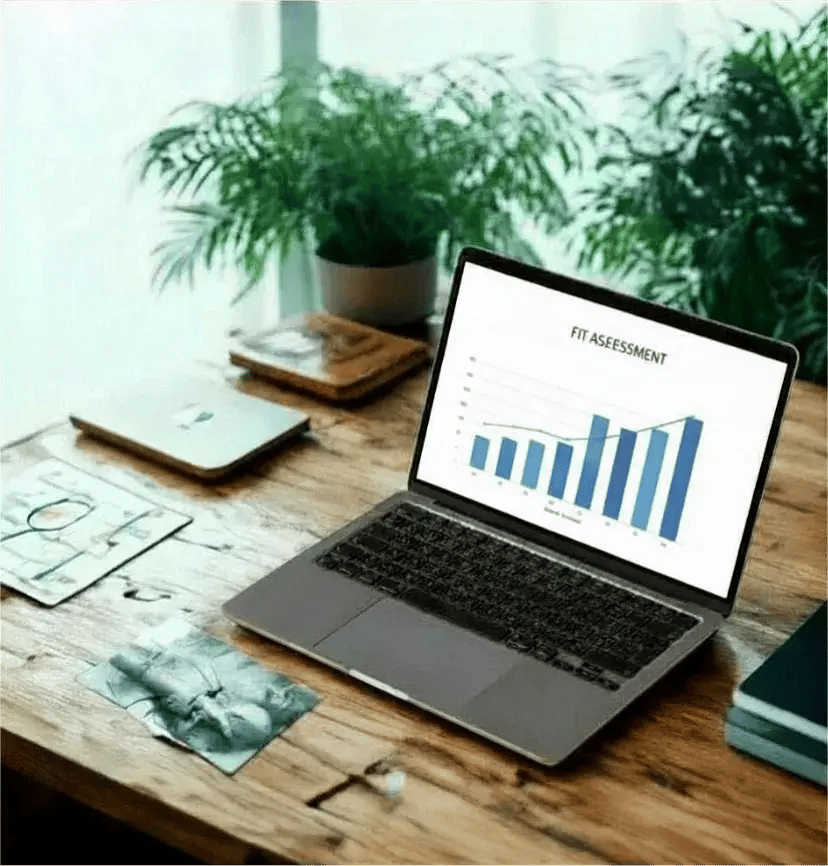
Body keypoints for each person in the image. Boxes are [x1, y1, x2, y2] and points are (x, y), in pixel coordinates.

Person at [109, 643, 301, 754]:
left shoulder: (195, 730)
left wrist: (199, 703)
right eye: (235, 701)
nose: (222, 699)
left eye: (232, 713)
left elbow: (124, 661)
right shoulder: (215, 684)